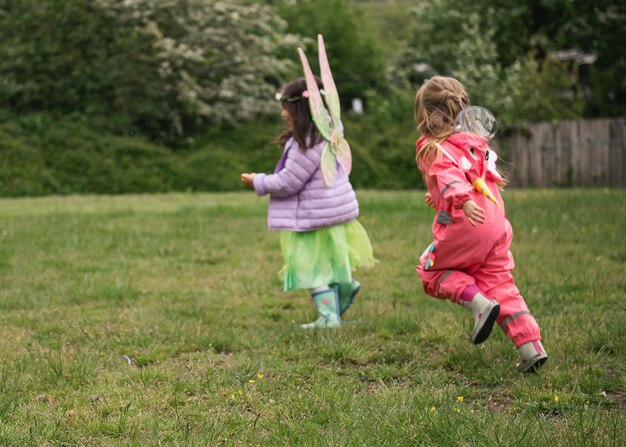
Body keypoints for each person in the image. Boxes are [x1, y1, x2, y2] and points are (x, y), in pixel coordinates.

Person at [414, 76, 548, 373]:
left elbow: (450, 177)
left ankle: (477, 304)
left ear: (424, 114)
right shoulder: (474, 144)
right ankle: (531, 347)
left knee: (430, 271)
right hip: (496, 224)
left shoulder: (432, 147)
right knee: (501, 284)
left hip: (467, 223)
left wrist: (461, 200)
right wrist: (437, 196)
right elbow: (462, 179)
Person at [241, 77, 376, 329]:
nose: (283, 113)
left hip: (313, 216)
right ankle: (345, 287)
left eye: (286, 107)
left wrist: (257, 182)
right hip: (333, 211)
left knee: (308, 267)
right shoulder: (329, 132)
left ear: (300, 110)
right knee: (330, 260)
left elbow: (288, 182)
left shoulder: (307, 143)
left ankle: (328, 317)